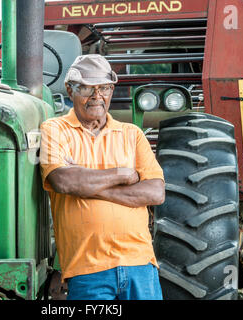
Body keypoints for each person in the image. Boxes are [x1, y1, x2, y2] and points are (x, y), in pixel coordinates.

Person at [39, 54, 165, 300]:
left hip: (140, 263)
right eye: (87, 87)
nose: (97, 96)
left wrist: (85, 184)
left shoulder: (132, 134)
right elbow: (63, 182)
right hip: (87, 268)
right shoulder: (54, 129)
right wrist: (123, 174)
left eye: (105, 88)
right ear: (70, 88)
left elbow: (155, 193)